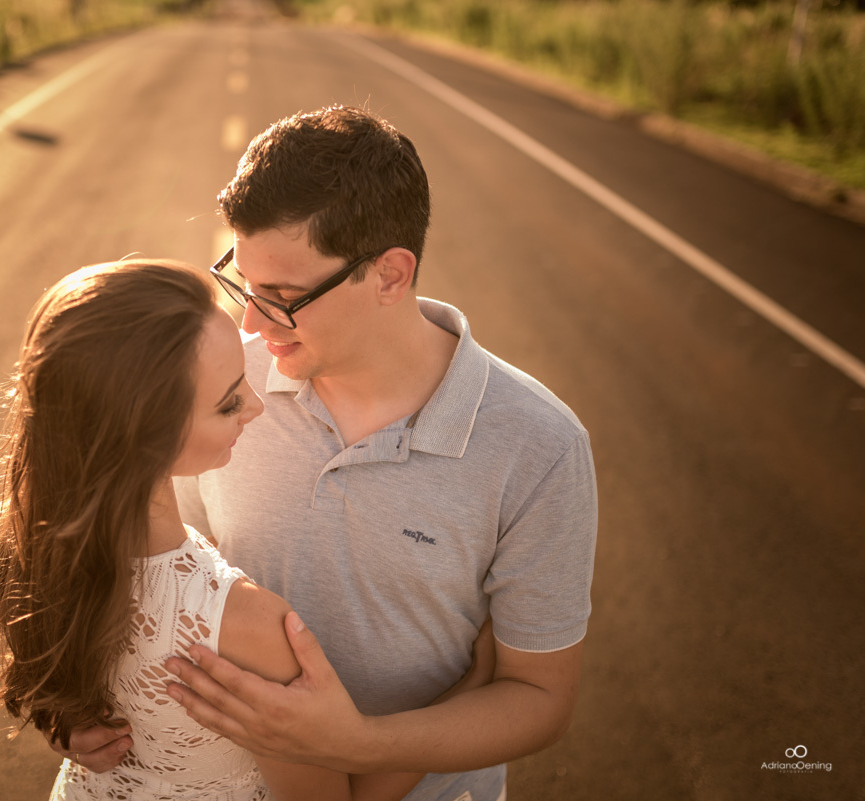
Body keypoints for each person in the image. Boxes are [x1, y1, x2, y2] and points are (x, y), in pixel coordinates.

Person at [142, 106, 595, 801]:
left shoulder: (541, 445)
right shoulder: (222, 389)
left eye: (284, 297)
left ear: (389, 274)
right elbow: (166, 585)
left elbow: (539, 696)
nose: (252, 326)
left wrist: (356, 743)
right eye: (245, 282)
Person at [0, 259, 491, 800]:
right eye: (228, 401)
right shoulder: (250, 627)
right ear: (143, 437)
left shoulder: (27, 554)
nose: (258, 405)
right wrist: (471, 687)